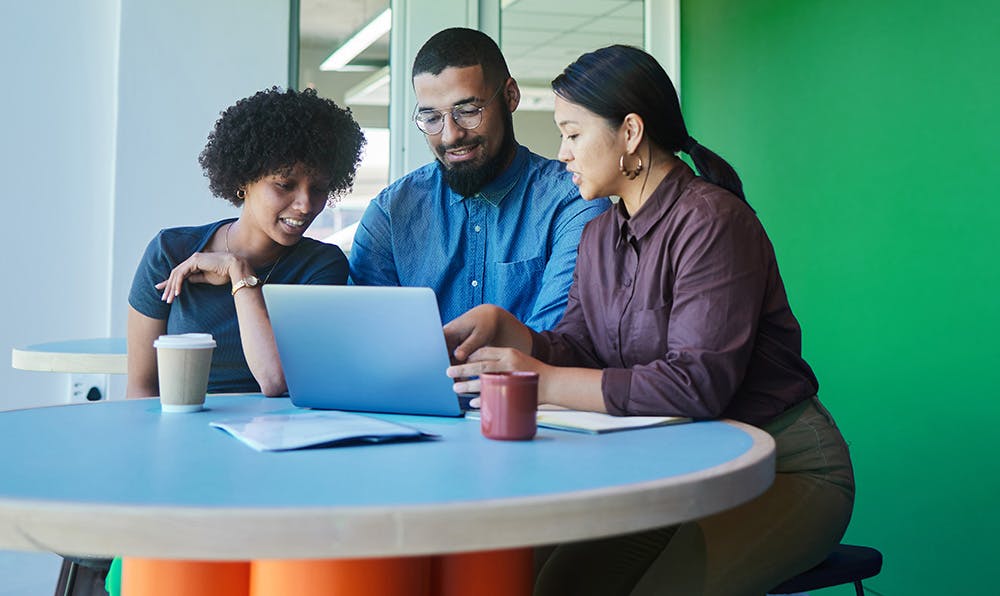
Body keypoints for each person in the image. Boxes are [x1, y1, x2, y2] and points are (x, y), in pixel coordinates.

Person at [443, 45, 855, 595]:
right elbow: (582, 351)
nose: (561, 153)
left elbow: (697, 385)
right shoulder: (599, 235)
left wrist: (541, 381)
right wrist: (510, 330)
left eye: (572, 133)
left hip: (782, 467)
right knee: (555, 585)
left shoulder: (712, 222)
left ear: (630, 133)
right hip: (682, 466)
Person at [349, 27, 609, 331]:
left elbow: (557, 339)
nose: (451, 135)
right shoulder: (390, 214)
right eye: (432, 118)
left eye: (468, 111)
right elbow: (368, 339)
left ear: (510, 96)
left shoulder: (573, 200)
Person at [126, 87, 365, 398]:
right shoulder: (171, 252)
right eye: (284, 185)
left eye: (318, 188)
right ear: (243, 180)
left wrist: (239, 274)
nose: (306, 204)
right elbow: (142, 386)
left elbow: (275, 380)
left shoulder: (321, 266)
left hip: (281, 435)